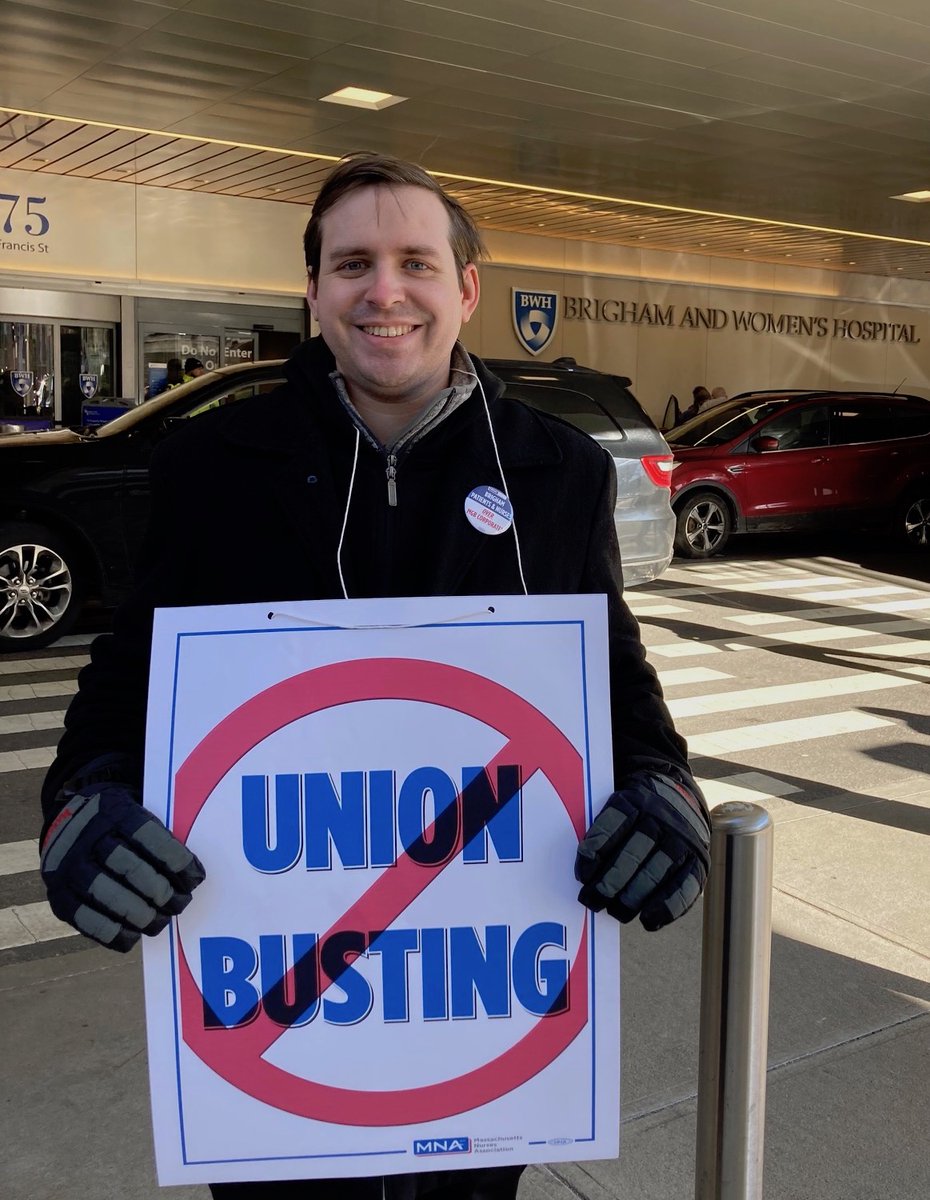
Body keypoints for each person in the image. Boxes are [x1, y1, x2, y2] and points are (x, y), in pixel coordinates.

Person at [38, 153, 711, 1200]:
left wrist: (668, 793)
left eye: (415, 262)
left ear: (465, 289)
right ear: (312, 293)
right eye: (352, 263)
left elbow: (620, 691)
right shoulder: (212, 468)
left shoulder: (556, 471)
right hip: (274, 1041)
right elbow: (126, 683)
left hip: (478, 1032)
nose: (384, 290)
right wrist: (81, 807)